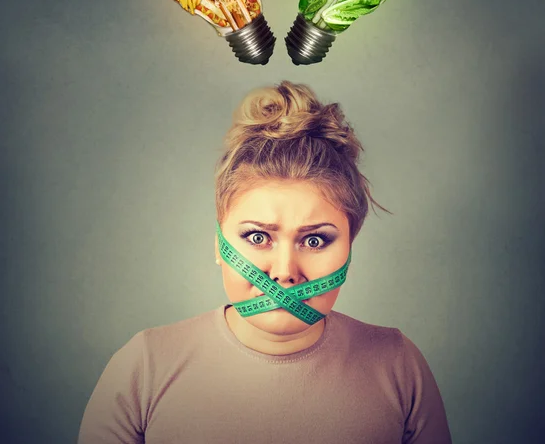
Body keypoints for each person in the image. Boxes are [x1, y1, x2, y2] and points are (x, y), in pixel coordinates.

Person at [78, 81, 452, 444]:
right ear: (217, 243)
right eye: (257, 237)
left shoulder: (400, 367)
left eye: (315, 239)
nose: (284, 271)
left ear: (350, 247)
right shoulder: (143, 370)